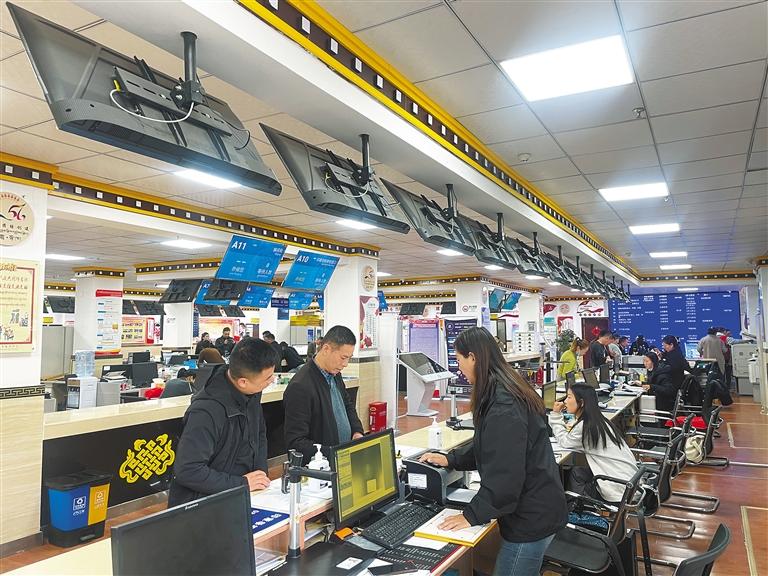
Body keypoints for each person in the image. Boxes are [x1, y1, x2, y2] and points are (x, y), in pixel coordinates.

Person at [420, 327, 567, 576]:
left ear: (473, 357)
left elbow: (505, 476)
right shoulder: (505, 388)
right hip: (539, 507)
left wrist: (471, 515)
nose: (459, 368)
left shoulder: (503, 405)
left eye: (459, 360)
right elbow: (491, 445)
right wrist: (451, 459)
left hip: (530, 519)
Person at [168, 338, 280, 507]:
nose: (272, 380)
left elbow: (259, 435)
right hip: (204, 505)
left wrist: (260, 475)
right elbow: (188, 470)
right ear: (243, 382)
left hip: (242, 495)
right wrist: (242, 483)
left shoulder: (252, 392)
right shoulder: (205, 412)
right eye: (268, 378)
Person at [283, 326, 364, 464]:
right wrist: (332, 453)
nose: (345, 364)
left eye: (349, 358)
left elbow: (347, 406)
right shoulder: (301, 386)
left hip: (343, 459)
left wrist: (357, 431)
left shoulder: (335, 374)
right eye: (343, 357)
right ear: (326, 349)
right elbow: (296, 441)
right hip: (321, 467)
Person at [549, 385, 638, 502]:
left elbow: (565, 442)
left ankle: (573, 508)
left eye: (569, 397)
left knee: (570, 476)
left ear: (581, 403)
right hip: (629, 481)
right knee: (577, 472)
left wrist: (556, 415)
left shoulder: (585, 427)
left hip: (618, 490)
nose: (565, 401)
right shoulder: (599, 421)